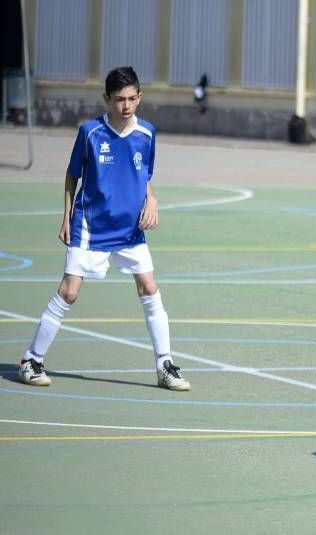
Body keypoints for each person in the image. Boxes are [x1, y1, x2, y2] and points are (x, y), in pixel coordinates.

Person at [17, 66, 190, 391]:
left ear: (139, 97)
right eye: (119, 99)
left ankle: (164, 364)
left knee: (149, 288)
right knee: (69, 292)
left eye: (131, 98)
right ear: (106, 99)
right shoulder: (90, 133)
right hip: (90, 226)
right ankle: (31, 359)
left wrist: (151, 200)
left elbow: (144, 176)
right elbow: (72, 175)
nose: (126, 105)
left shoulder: (147, 134)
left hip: (129, 230)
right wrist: (66, 216)